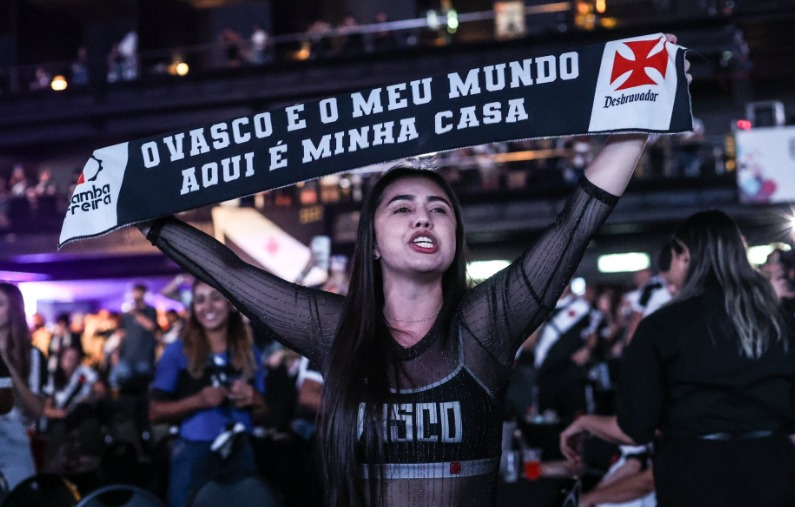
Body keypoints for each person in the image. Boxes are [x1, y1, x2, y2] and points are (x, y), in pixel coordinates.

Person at [141, 34, 688, 507]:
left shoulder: (486, 324)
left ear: (454, 239)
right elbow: (228, 270)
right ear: (373, 242)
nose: (423, 216)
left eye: (439, 209)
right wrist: (141, 211)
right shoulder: (335, 329)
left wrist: (646, 113)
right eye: (401, 207)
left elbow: (576, 223)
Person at [559, 210, 795, 507]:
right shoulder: (781, 321)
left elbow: (634, 430)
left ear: (684, 255)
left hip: (694, 478)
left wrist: (586, 423)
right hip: (775, 476)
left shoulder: (662, 327)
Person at [149, 281, 267, 507]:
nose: (208, 306)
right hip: (193, 453)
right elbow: (155, 412)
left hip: (241, 451)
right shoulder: (177, 351)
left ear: (230, 303)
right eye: (200, 300)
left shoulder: (248, 351)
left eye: (216, 297)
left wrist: (254, 398)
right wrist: (199, 401)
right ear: (193, 308)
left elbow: (265, 414)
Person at [0, 283, 47, 490]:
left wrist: (8, 364)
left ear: (13, 310)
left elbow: (37, 410)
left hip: (15, 447)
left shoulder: (32, 356)